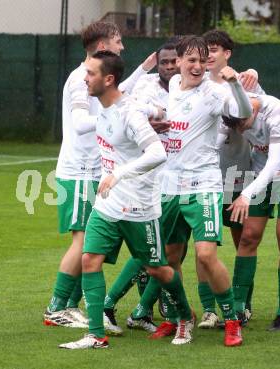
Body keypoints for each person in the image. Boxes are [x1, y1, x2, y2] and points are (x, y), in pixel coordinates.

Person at [59, 50, 193, 349]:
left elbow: (157, 153)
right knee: (89, 260)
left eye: (91, 73)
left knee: (157, 268)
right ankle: (96, 335)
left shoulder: (128, 113)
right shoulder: (105, 108)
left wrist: (119, 173)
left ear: (108, 79)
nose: (85, 78)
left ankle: (185, 317)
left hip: (138, 207)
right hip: (107, 203)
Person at [43, 20, 156, 328]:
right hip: (80, 171)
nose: (122, 46)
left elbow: (115, 93)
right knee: (82, 243)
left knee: (94, 244)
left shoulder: (97, 79)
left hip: (97, 172)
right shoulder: (81, 78)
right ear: (104, 46)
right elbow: (80, 122)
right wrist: (113, 119)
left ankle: (71, 306)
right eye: (118, 41)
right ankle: (57, 308)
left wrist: (143, 71)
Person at [156, 35, 252, 346]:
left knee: (206, 254)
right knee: (170, 258)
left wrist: (235, 83)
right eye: (192, 60)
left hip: (204, 185)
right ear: (179, 62)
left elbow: (241, 110)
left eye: (202, 60)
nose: (198, 66)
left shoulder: (214, 92)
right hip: (170, 186)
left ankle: (232, 319)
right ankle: (182, 318)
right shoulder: (172, 87)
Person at [101, 42, 181, 336]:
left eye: (175, 61)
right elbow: (128, 105)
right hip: (154, 178)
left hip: (185, 177)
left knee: (171, 251)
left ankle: (142, 311)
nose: (170, 66)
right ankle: (109, 304)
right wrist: (153, 117)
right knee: (152, 248)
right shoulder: (147, 87)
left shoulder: (198, 87)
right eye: (166, 61)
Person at [228, 93, 280, 330]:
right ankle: (238, 308)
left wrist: (246, 194)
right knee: (249, 236)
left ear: (252, 111)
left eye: (242, 123)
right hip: (259, 169)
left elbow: (275, 163)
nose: (241, 129)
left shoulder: (275, 116)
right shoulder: (236, 99)